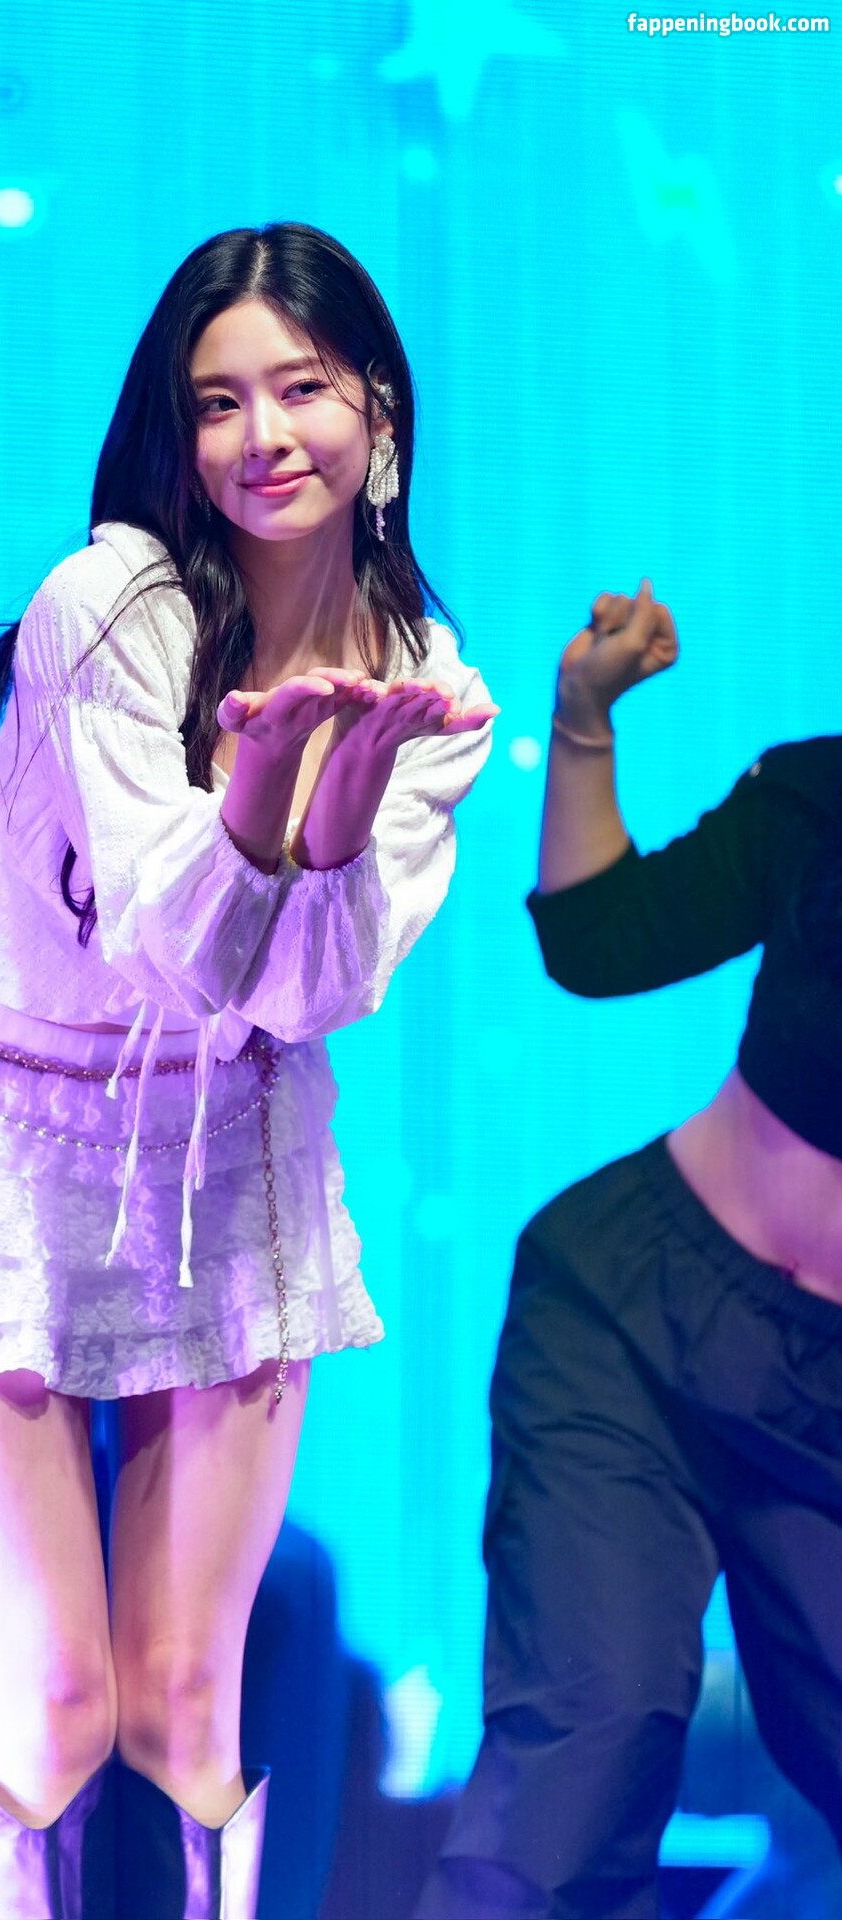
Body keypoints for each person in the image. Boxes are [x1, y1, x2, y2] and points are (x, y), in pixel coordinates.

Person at [0, 222, 494, 1920]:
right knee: (60, 1696)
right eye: (216, 402)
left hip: (222, 1150)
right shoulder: (105, 604)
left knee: (187, 1699)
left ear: (378, 416)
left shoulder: (418, 679)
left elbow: (310, 991)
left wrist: (334, 805)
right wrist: (265, 794)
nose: (264, 437)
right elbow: (180, 936)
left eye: (299, 390)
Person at [417, 584, 842, 1919]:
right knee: (580, 1768)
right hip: (635, 1321)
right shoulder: (823, 800)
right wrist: (583, 722)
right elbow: (599, 941)